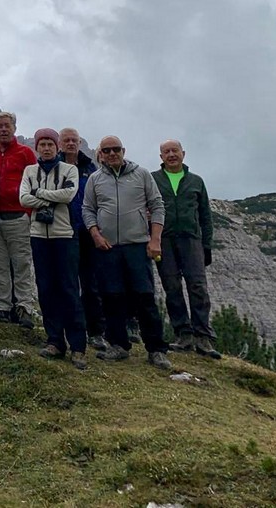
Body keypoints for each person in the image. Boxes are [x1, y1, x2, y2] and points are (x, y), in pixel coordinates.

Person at [82, 135, 173, 370]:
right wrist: (96, 235)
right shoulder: (95, 179)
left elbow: (157, 205)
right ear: (100, 153)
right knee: (111, 297)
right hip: (107, 247)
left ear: (123, 151)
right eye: (106, 150)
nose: (112, 154)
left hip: (137, 245)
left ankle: (156, 349)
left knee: (144, 297)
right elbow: (88, 210)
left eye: (116, 149)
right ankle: (118, 345)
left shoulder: (141, 174)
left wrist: (155, 240)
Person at [20, 129, 87, 370]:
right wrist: (50, 198)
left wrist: (39, 194)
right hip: (38, 235)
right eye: (42, 144)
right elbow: (23, 199)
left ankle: (78, 346)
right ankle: (55, 341)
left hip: (64, 235)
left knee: (69, 288)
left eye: (50, 144)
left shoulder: (70, 170)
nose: (46, 148)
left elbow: (69, 195)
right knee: (46, 288)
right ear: (37, 147)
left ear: (56, 147)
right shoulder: (30, 171)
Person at [152, 140, 220, 359]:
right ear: (161, 156)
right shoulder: (153, 180)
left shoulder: (196, 181)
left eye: (175, 151)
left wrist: (206, 245)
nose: (171, 155)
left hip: (192, 241)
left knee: (198, 287)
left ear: (183, 153)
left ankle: (203, 337)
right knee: (171, 287)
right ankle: (183, 335)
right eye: (166, 152)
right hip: (164, 240)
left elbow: (206, 217)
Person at [0, 112, 38, 328]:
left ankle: (24, 307)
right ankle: (2, 307)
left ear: (14, 128)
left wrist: (29, 214)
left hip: (18, 217)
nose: (4, 129)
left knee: (21, 263)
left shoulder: (26, 153)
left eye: (7, 125)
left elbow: (35, 184)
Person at [60, 128, 105, 350]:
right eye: (66, 140)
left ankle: (96, 332)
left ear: (79, 143)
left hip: (87, 231)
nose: (70, 143)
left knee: (91, 284)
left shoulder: (90, 168)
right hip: (62, 232)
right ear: (60, 143)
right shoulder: (52, 166)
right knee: (67, 284)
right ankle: (69, 329)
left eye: (74, 140)